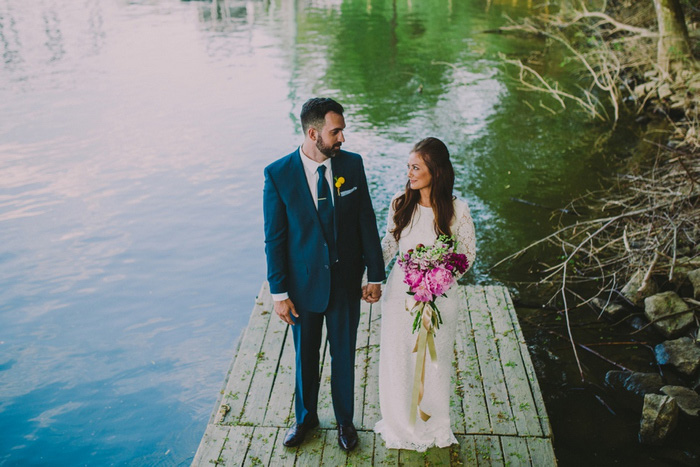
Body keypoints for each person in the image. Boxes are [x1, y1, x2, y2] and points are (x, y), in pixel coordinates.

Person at [263, 97, 385, 451]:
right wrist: (279, 292)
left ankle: (345, 422)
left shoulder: (352, 165)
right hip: (303, 287)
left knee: (344, 355)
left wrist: (374, 275)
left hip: (347, 283)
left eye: (343, 130)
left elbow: (366, 221)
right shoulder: (278, 174)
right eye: (337, 131)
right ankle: (305, 419)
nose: (343, 138)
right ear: (314, 133)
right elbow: (275, 238)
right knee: (305, 356)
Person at [374, 137, 476, 451]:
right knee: (399, 358)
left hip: (440, 299)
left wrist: (436, 280)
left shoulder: (457, 210)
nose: (410, 173)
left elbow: (467, 255)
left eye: (416, 167)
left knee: (434, 363)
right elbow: (388, 247)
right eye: (409, 167)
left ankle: (432, 424)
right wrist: (371, 277)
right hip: (400, 297)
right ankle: (400, 423)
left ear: (435, 170)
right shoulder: (399, 204)